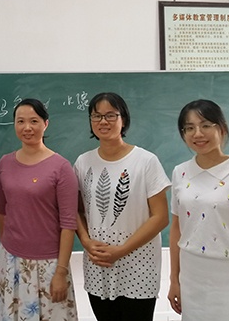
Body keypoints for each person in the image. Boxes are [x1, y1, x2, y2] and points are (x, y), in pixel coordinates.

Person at [73, 92, 170, 321]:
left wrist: (121, 250)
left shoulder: (146, 161)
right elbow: (76, 210)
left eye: (110, 115)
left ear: (123, 119)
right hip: (98, 264)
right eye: (96, 116)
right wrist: (86, 241)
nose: (103, 121)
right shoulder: (82, 162)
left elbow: (160, 217)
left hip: (139, 263)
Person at [167, 99, 229, 321]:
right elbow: (176, 230)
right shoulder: (180, 172)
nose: (198, 133)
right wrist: (174, 279)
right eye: (189, 128)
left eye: (206, 125)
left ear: (222, 128)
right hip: (191, 277)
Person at [0, 98, 79, 321]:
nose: (27, 127)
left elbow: (69, 224)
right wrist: (6, 249)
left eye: (34, 121)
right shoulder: (5, 163)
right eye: (20, 121)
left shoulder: (61, 167)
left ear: (45, 124)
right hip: (11, 261)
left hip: (48, 264)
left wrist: (61, 271)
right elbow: (3, 211)